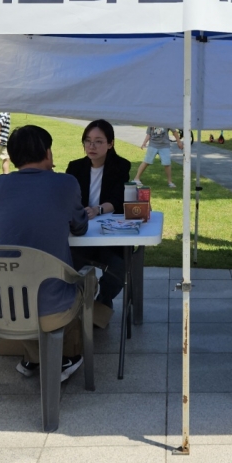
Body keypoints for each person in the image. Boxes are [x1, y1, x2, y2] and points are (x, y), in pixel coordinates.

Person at [0, 124, 98, 381]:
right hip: (50, 309)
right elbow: (79, 227)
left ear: (12, 156)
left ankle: (34, 356)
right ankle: (65, 355)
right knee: (86, 280)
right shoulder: (65, 183)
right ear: (47, 152)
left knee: (23, 283)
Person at [66, 119, 133, 328]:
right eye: (87, 141)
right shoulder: (75, 167)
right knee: (67, 263)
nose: (91, 146)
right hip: (81, 232)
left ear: (110, 144)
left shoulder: (121, 166)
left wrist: (98, 209)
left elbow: (118, 199)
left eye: (98, 141)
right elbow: (68, 199)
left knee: (120, 267)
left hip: (108, 234)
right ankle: (76, 304)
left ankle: (102, 301)